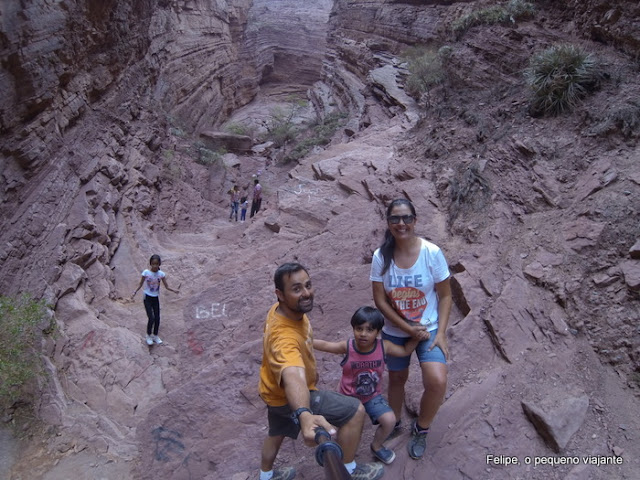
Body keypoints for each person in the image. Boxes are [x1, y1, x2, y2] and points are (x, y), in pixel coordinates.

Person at [258, 263, 384, 480]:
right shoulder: (285, 339)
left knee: (276, 432)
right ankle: (349, 468)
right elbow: (292, 373)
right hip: (292, 398)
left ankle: (266, 476)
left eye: (308, 285)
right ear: (280, 294)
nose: (306, 293)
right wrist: (304, 414)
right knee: (354, 411)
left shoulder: (279, 310)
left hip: (272, 393)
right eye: (297, 289)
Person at [369, 198, 452, 460]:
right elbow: (380, 300)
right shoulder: (380, 257)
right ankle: (394, 423)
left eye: (406, 218)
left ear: (415, 220)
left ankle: (422, 428)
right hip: (396, 331)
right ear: (388, 223)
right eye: (395, 219)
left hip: (428, 330)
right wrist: (407, 327)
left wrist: (440, 333)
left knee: (437, 381)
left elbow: (446, 295)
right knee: (396, 378)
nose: (401, 223)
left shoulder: (431, 253)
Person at [313, 306, 422, 465]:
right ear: (353, 329)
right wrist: (305, 340)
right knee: (348, 430)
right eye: (359, 329)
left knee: (389, 420)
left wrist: (416, 338)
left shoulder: (383, 347)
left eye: (369, 330)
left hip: (372, 396)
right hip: (348, 397)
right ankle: (343, 453)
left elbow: (405, 350)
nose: (363, 334)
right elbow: (326, 345)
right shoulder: (348, 347)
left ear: (377, 332)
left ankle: (377, 446)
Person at [131, 254, 180, 345]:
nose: (155, 266)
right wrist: (134, 292)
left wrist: (174, 290)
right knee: (151, 317)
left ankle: (155, 335)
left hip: (155, 298)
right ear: (150, 264)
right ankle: (148, 335)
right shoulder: (146, 272)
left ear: (159, 264)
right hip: (147, 297)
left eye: (157, 264)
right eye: (153, 264)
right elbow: (140, 284)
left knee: (157, 318)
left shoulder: (161, 274)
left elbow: (166, 286)